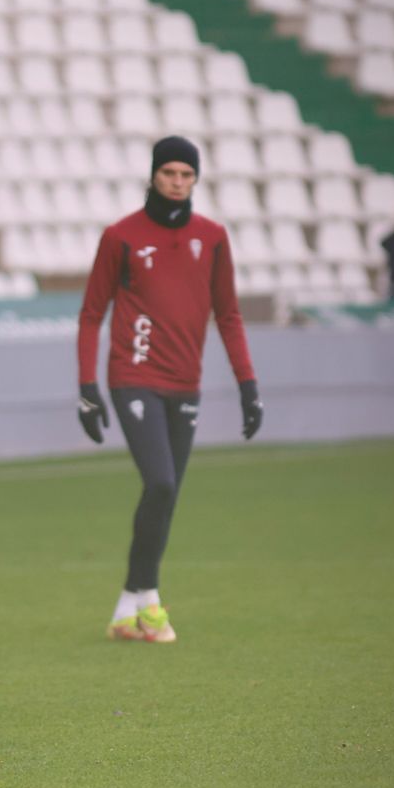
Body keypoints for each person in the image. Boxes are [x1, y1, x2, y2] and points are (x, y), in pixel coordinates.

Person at [76, 136, 262, 643]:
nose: (177, 183)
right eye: (169, 173)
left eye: (186, 175)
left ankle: (127, 608)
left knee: (166, 494)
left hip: (187, 383)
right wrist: (87, 386)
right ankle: (151, 601)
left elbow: (228, 314)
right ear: (154, 175)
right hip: (133, 376)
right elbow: (93, 313)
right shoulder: (122, 236)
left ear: (195, 180)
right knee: (160, 483)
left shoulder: (213, 237)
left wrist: (248, 385)